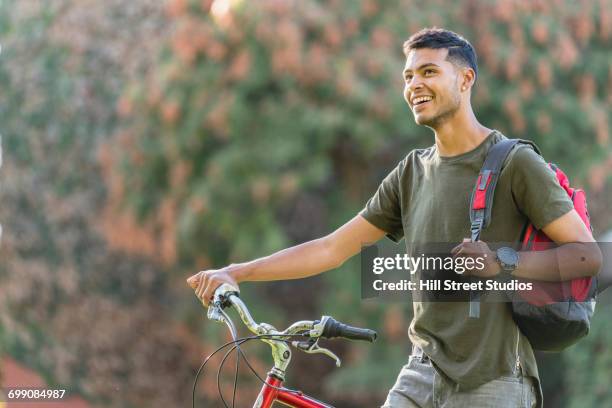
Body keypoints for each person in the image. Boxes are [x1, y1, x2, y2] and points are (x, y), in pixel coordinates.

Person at [187, 28, 601, 407]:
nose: (414, 84)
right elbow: (333, 248)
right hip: (421, 373)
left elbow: (588, 256)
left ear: (465, 79)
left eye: (428, 71)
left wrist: (501, 261)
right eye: (407, 76)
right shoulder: (411, 172)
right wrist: (237, 271)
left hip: (493, 380)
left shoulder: (515, 162)